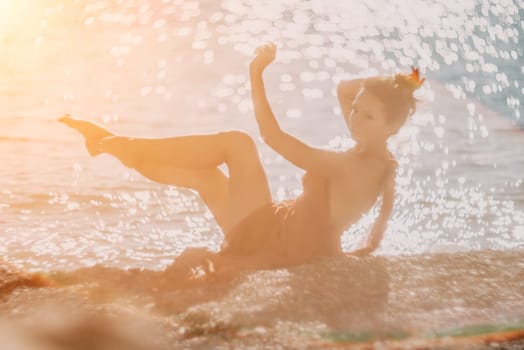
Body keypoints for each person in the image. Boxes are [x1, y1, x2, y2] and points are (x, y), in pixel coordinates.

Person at [60, 43, 424, 283]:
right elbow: (377, 232)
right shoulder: (385, 165)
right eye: (356, 111)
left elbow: (273, 137)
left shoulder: (345, 165)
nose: (355, 119)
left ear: (393, 125)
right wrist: (395, 89)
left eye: (368, 117)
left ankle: (121, 144)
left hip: (274, 237)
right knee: (207, 180)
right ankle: (113, 146)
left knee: (239, 143)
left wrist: (256, 73)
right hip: (289, 236)